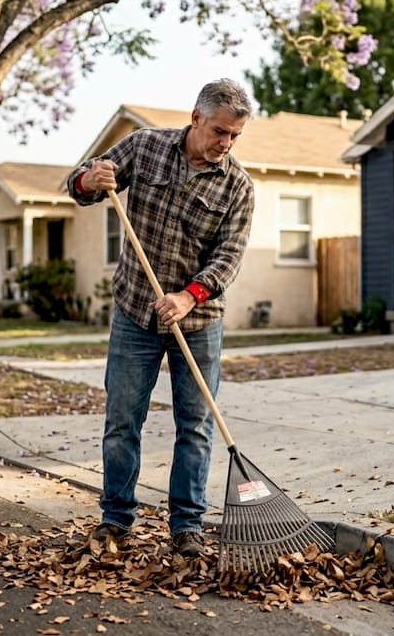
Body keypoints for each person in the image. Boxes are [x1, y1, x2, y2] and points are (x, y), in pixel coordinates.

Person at [66, 79, 255, 558]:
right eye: (219, 131)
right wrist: (91, 180)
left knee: (195, 426)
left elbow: (228, 257)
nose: (225, 143)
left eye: (234, 135)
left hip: (198, 319)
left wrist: (190, 296)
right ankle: (115, 521)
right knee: (122, 420)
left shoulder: (238, 186)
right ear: (196, 118)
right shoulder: (145, 146)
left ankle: (187, 527)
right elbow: (80, 183)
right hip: (135, 312)